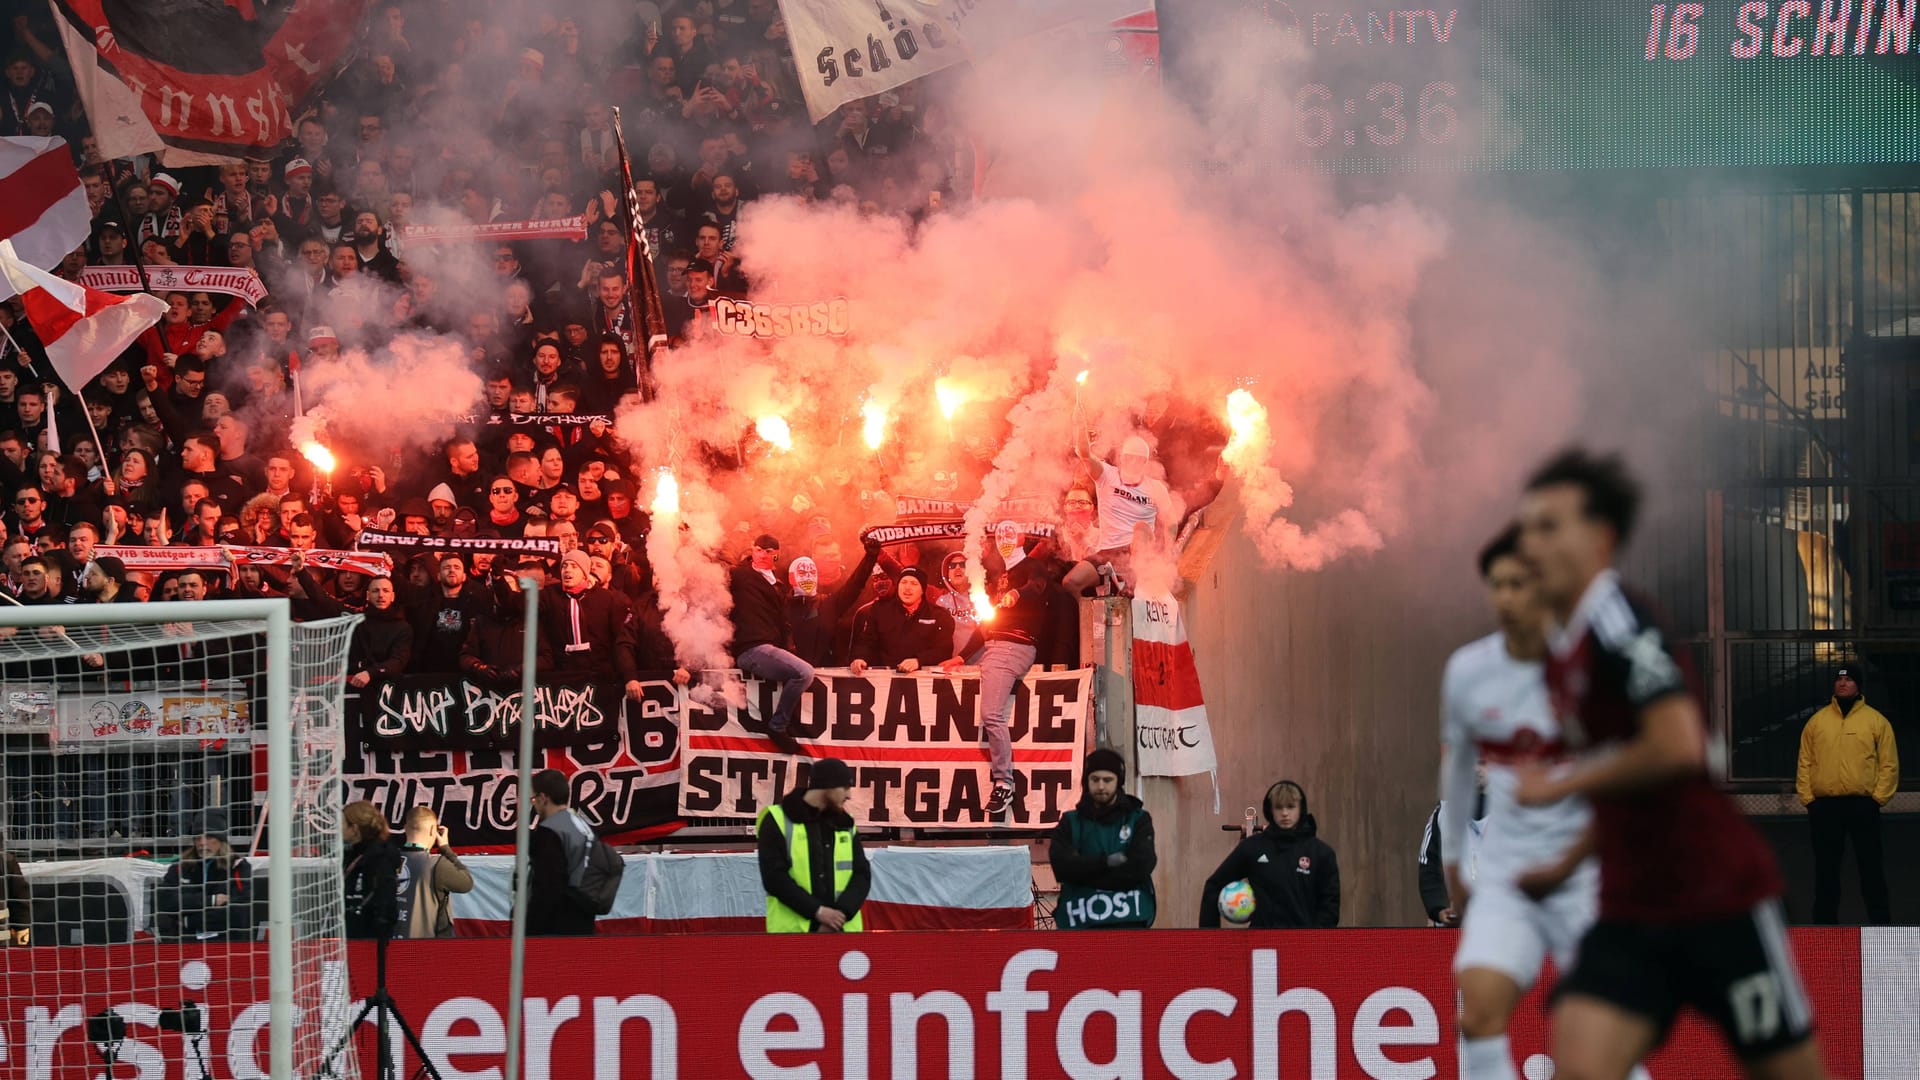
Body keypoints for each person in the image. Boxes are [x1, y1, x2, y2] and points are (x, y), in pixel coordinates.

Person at [1512, 448, 1823, 1080]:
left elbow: (1676, 745)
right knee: (1578, 1063)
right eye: (1527, 527)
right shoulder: (1559, 649)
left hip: (1719, 898)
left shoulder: (1619, 618)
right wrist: (1564, 864)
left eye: (1550, 526)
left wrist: (1560, 783)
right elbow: (1626, 779)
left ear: (1601, 537)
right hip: (1631, 907)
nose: (1531, 543)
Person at [1439, 525, 1647, 1080]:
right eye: (1497, 585)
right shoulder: (1467, 672)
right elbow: (1456, 778)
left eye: (1520, 584)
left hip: (1584, 874)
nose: (1507, 597)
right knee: (1478, 1009)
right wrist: (1456, 869)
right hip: (1509, 876)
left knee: (1596, 1042)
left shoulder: (1592, 670)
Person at [1796, 668, 1898, 925]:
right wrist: (1808, 799)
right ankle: (1823, 929)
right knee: (1826, 871)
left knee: (1871, 869)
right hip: (1825, 808)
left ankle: (1882, 928)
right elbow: (1805, 762)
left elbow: (1889, 764)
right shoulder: (1817, 722)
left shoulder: (1876, 722)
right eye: (1839, 679)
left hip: (1863, 805)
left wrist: (1877, 798)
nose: (1842, 683)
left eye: (1848, 679)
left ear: (1859, 686)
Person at [1198, 780, 1339, 929]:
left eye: (1290, 807)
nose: (1285, 813)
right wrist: (1210, 940)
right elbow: (1214, 885)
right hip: (1262, 943)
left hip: (1304, 944)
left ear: (1301, 809)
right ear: (1270, 810)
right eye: (1279, 807)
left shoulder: (1321, 853)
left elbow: (1330, 905)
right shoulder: (1253, 848)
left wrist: (1317, 940)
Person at [754, 758, 870, 933]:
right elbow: (774, 878)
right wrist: (818, 913)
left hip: (843, 934)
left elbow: (861, 874)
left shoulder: (845, 822)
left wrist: (839, 916)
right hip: (793, 938)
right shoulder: (776, 819)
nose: (849, 795)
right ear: (828, 786)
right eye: (845, 787)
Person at [1048, 748, 1157, 929]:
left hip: (1130, 921)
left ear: (1118, 782)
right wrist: (1106, 862)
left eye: (1107, 780)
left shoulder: (1137, 819)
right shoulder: (1070, 822)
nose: (1100, 786)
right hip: (1080, 922)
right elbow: (1062, 867)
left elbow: (1142, 865)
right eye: (1095, 779)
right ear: (1086, 781)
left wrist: (1085, 872)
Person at [729, 534, 814, 733]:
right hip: (750, 648)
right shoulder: (739, 575)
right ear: (752, 551)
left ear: (776, 556)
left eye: (768, 552)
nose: (762, 555)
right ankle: (778, 726)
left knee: (800, 673)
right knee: (804, 673)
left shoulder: (779, 585)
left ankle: (784, 724)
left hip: (768, 648)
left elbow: (782, 622)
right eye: (758, 550)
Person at [155, 811, 260, 941]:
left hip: (227, 944)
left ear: (221, 841)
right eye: (198, 837)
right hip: (185, 945)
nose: (202, 843)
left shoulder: (238, 867)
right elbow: (165, 902)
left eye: (209, 837)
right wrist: (212, 900)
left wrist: (189, 921)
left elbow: (239, 913)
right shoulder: (180, 867)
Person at [851, 566, 961, 674]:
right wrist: (860, 658)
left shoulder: (939, 615)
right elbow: (867, 642)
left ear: (923, 589)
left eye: (914, 583)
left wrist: (919, 660)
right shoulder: (879, 610)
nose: (907, 587)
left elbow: (943, 650)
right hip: (886, 681)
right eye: (904, 582)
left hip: (923, 682)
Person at [527, 768, 597, 936]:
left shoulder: (550, 832)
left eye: (534, 799)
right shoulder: (582, 826)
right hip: (583, 920)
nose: (534, 804)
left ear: (544, 798)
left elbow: (547, 887)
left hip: (556, 927)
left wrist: (530, 928)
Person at [394, 806, 473, 939]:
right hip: (428, 947)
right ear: (432, 830)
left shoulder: (386, 859)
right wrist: (445, 848)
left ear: (405, 828)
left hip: (390, 946)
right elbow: (466, 883)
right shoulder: (436, 864)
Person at [341, 800, 403, 940]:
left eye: (342, 824)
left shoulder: (379, 857)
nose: (339, 828)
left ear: (354, 828)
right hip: (350, 933)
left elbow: (385, 904)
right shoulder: (353, 853)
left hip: (369, 939)